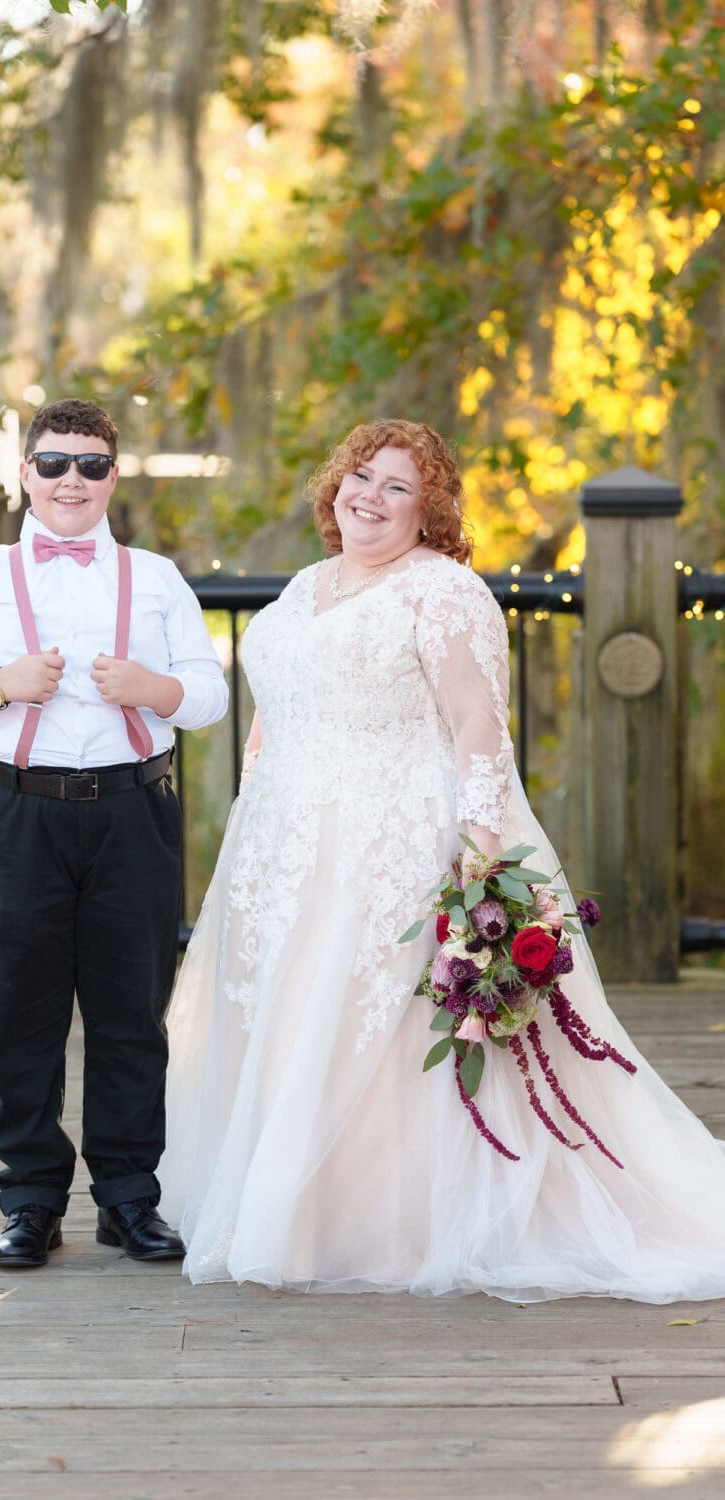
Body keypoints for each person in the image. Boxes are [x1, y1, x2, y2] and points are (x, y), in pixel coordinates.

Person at [158, 417, 725, 1302]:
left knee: (372, 1025)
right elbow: (274, 710)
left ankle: (389, 1226)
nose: (370, 498)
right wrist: (257, 813)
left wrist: (482, 851)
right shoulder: (305, 587)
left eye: (397, 488)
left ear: (428, 515)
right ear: (334, 485)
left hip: (391, 838)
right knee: (293, 1015)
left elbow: (474, 724)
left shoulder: (442, 593)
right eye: (360, 477)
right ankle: (296, 1212)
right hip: (283, 844)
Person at [0, 398, 228, 1268]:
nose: (71, 481)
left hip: (135, 809)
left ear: (113, 477)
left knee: (132, 1012)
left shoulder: (157, 577)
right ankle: (30, 1199)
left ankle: (129, 1198)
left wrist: (151, 689)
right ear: (25, 474)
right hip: (17, 810)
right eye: (53, 464)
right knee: (21, 1006)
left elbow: (209, 694)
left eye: (90, 465)